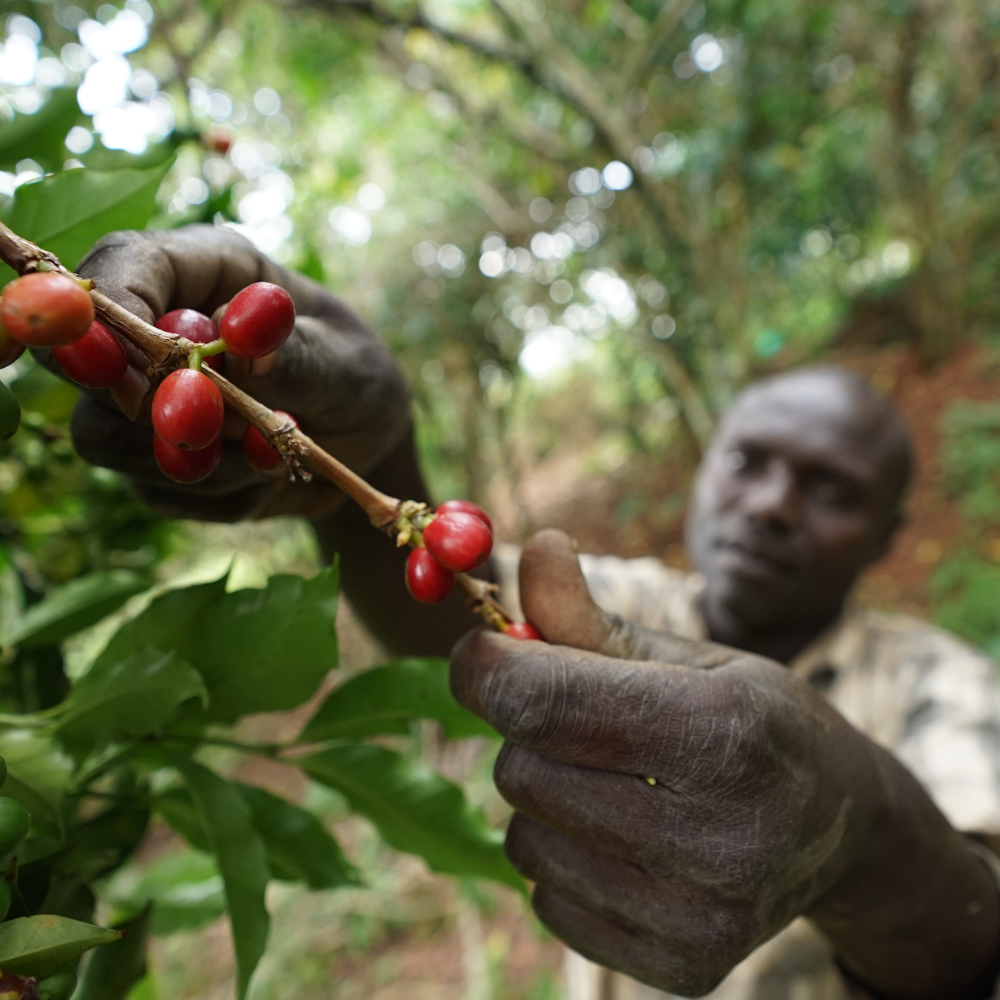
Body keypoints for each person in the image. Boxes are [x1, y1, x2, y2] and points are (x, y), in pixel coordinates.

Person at [63, 226, 1000, 999]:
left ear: (886, 535)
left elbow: (980, 926)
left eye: (830, 489)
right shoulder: (621, 606)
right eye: (750, 463)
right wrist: (376, 467)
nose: (771, 504)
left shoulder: (943, 684)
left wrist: (864, 833)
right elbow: (451, 607)